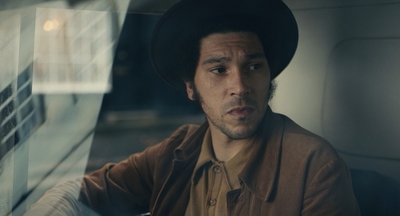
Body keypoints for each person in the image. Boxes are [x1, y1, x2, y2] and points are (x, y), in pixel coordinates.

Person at [27, 0, 360, 215]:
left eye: (254, 67)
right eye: (219, 70)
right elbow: (84, 192)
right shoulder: (177, 151)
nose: (240, 86)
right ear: (191, 86)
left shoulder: (314, 166)